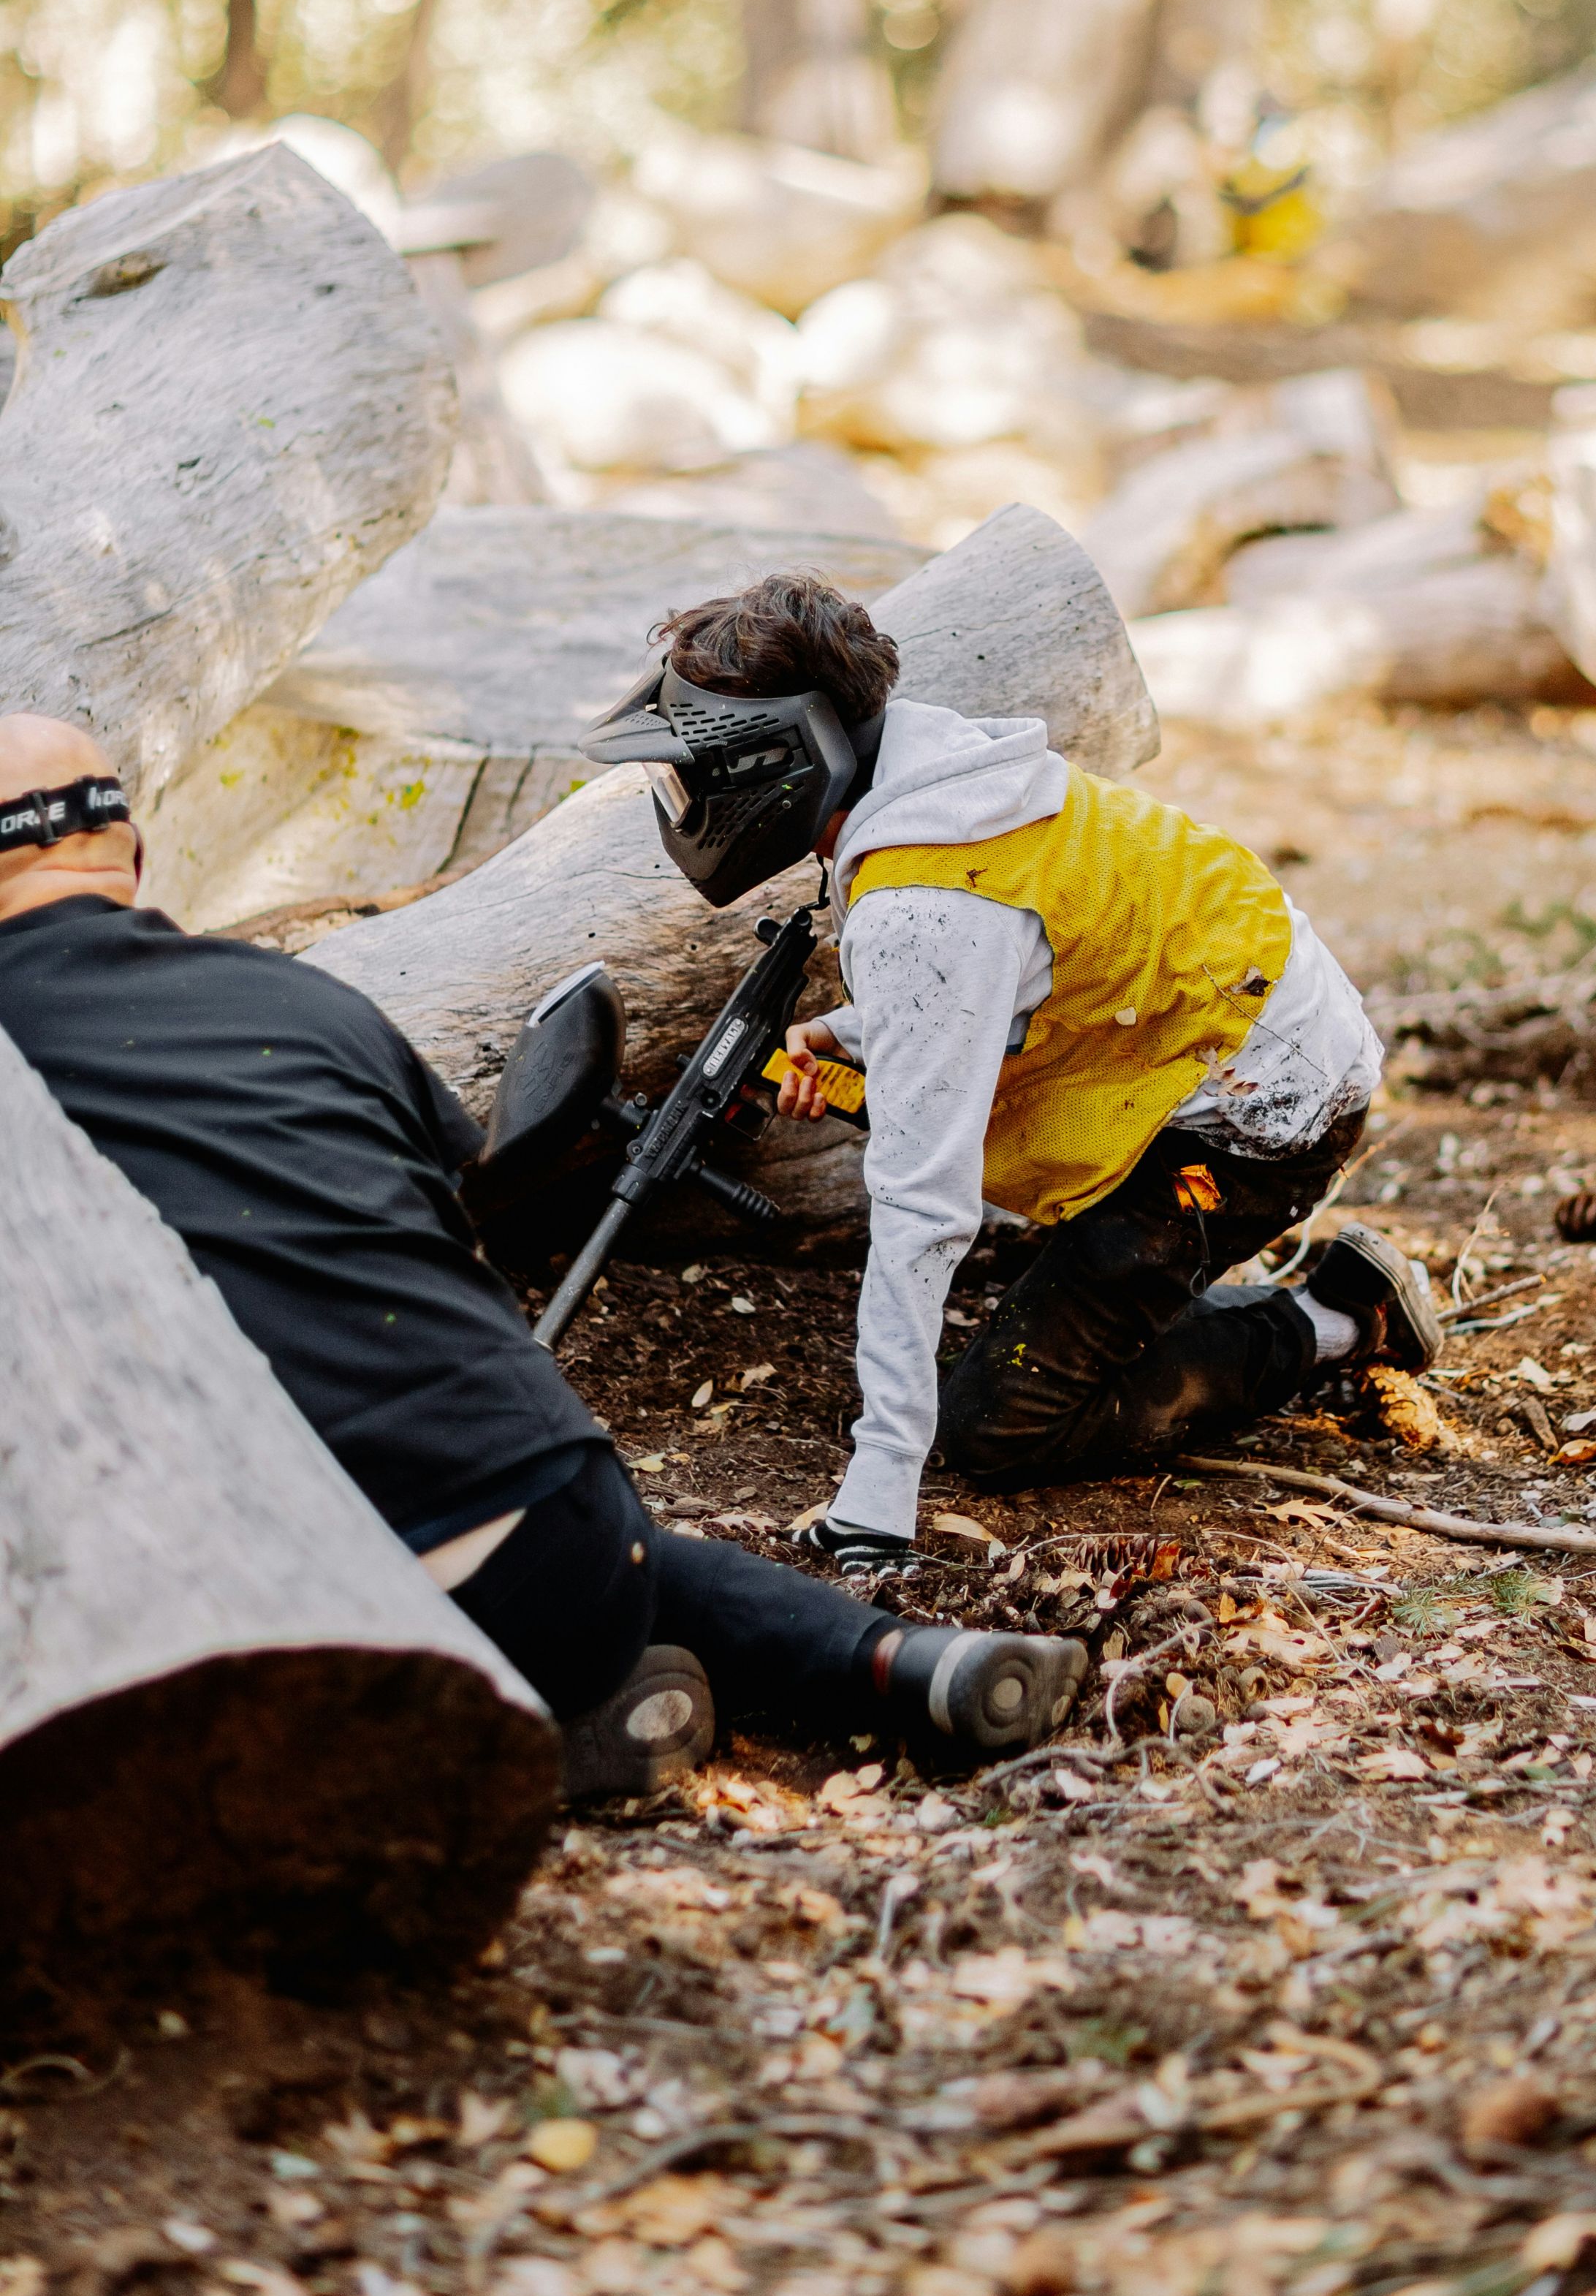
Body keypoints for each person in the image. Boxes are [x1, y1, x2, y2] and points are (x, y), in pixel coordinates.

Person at [0, 714, 1087, 1785]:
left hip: (298, 1583)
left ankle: (508, 1738)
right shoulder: (311, 1004)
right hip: (559, 1528)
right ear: (134, 859)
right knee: (599, 1555)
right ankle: (897, 1659)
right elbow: (454, 1210)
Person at [584, 576, 1441, 1577]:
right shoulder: (933, 774)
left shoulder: (927, 901)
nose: (687, 800)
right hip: (1209, 1036)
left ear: (778, 756)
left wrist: (881, 1484)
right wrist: (863, 1034)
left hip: (1256, 1128)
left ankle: (1338, 1316)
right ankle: (1148, 1270)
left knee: (1000, 1428)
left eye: (700, 773)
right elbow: (1017, 964)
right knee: (929, 1134)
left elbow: (921, 1203)